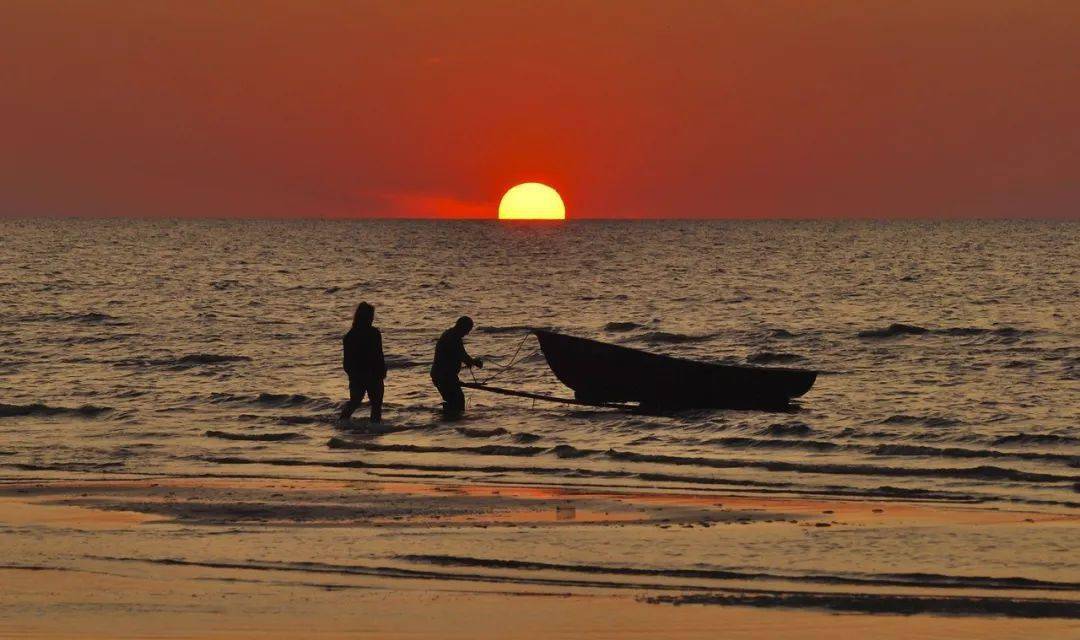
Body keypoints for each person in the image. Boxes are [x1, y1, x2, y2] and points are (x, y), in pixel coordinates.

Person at [339, 302, 386, 423]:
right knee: (375, 405)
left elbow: (347, 362)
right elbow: (379, 355)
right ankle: (375, 427)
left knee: (355, 402)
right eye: (370, 316)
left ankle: (342, 423)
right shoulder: (373, 334)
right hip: (369, 374)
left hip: (361, 374)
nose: (372, 319)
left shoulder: (350, 336)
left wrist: (352, 374)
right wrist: (381, 371)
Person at [431, 316, 483, 418]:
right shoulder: (452, 338)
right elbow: (461, 355)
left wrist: (470, 361)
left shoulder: (452, 335)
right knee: (457, 400)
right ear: (462, 327)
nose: (467, 333)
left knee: (454, 401)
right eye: (467, 330)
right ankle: (450, 423)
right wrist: (474, 362)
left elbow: (461, 354)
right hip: (443, 377)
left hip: (445, 376)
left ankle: (448, 421)